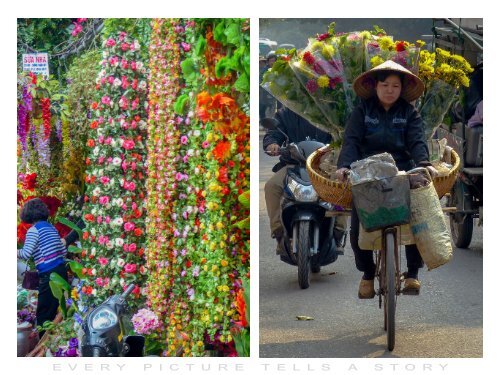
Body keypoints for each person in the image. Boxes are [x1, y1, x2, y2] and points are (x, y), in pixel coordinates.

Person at [335, 60, 438, 299]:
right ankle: (368, 274)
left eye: (395, 85)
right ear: (376, 87)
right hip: (367, 173)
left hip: (401, 171)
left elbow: (417, 141)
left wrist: (423, 165)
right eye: (385, 85)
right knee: (358, 225)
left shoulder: (409, 112)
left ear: (402, 89)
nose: (390, 90)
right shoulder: (363, 110)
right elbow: (351, 140)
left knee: (416, 219)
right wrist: (343, 166)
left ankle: (412, 273)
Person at [263, 107, 347, 252]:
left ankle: (338, 232)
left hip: (324, 166)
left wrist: (339, 146)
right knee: (271, 186)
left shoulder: (328, 111)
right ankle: (279, 233)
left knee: (341, 186)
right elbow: (273, 134)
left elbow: (341, 134)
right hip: (293, 165)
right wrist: (272, 144)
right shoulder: (285, 114)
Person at [17, 198, 68, 336]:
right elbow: (63, 251)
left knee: (43, 313)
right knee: (55, 308)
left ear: (28, 215)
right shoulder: (51, 227)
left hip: (49, 274)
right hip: (61, 271)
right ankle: (56, 339)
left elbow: (26, 253)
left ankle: (45, 345)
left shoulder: (34, 230)